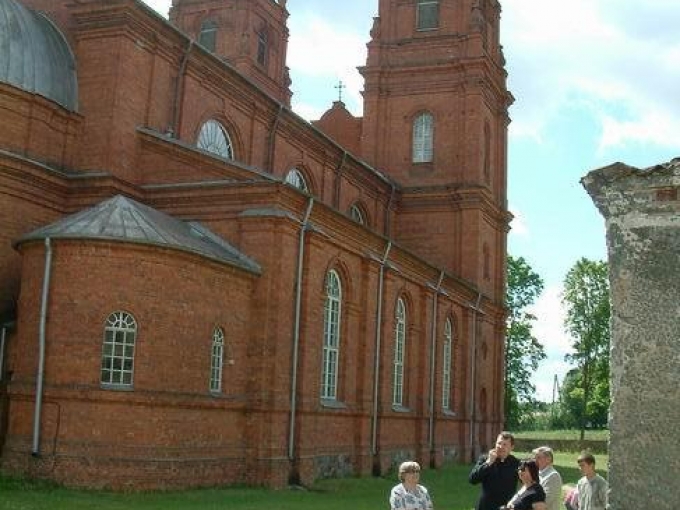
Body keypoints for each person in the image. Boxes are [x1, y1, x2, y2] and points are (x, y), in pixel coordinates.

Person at [469, 431, 520, 510]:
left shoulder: (516, 463)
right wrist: (488, 462)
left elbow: (528, 483)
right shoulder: (485, 459)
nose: (500, 446)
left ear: (512, 447)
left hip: (506, 507)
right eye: (499, 443)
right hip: (485, 506)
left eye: (504, 444)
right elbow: (472, 479)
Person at [532, 446, 563, 510]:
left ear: (548, 459)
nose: (535, 460)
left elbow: (544, 501)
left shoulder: (553, 476)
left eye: (538, 457)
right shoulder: (537, 474)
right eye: (534, 458)